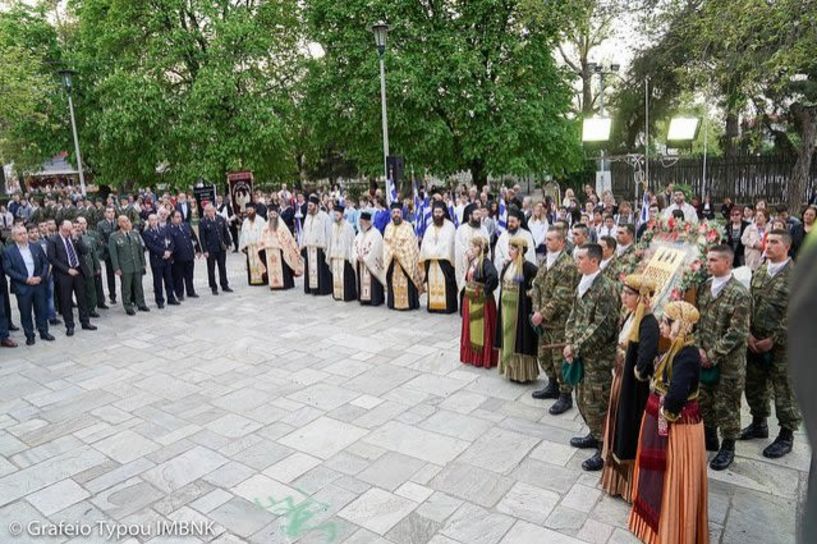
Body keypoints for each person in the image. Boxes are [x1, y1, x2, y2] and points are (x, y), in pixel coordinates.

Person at [628, 301, 708, 544]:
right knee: (658, 474)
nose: (662, 325)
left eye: (667, 322)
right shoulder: (677, 348)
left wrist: (665, 413)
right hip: (663, 422)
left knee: (672, 475)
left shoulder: (687, 354)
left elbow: (677, 396)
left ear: (679, 326)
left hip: (678, 429)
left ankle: (672, 529)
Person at [740, 229, 800, 458]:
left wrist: (773, 340)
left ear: (786, 246)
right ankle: (759, 423)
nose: (768, 245)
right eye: (767, 241)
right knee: (754, 384)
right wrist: (748, 333)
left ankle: (786, 435)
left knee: (784, 389)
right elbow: (750, 302)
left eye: (774, 242)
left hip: (782, 346)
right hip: (755, 339)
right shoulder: (762, 270)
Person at [600, 274, 659, 500]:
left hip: (632, 388)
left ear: (641, 297)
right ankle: (614, 479)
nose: (624, 296)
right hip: (620, 380)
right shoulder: (631, 315)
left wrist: (634, 374)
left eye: (629, 293)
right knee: (615, 424)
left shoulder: (648, 322)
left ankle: (630, 486)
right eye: (623, 292)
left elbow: (644, 362)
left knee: (628, 429)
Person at [694, 244, 751, 471]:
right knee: (704, 399)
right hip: (703, 355)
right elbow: (697, 320)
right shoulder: (705, 287)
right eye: (708, 259)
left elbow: (737, 332)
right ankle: (709, 437)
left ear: (727, 263)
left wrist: (712, 354)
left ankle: (728, 446)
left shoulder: (739, 293)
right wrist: (699, 348)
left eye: (714, 260)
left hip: (728, 363)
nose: (708, 264)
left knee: (727, 404)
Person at [563, 243, 620, 471]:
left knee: (598, 402)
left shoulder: (606, 288)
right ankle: (593, 434)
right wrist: (569, 341)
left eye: (581, 258)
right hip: (580, 354)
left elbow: (601, 328)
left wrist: (575, 347)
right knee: (583, 398)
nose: (577, 262)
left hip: (598, 359)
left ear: (594, 261)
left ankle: (603, 446)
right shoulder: (583, 283)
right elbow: (573, 315)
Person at [530, 226, 579, 414]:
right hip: (542, 320)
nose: (546, 242)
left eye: (550, 239)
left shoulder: (567, 265)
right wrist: (536, 310)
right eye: (546, 239)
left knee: (560, 359)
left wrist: (542, 313)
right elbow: (536, 286)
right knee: (544, 355)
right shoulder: (545, 261)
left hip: (559, 321)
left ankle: (565, 396)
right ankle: (552, 385)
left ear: (561, 241)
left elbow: (561, 297)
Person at [495, 236, 539, 383]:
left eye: (513, 248)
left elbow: (540, 282)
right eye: (509, 248)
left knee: (520, 338)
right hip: (506, 308)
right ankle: (510, 370)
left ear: (520, 250)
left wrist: (530, 293)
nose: (509, 251)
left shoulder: (528, 267)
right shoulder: (508, 265)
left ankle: (522, 373)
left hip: (520, 309)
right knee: (507, 336)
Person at [2, 225, 55, 345]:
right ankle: (30, 335)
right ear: (14, 237)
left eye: (25, 233)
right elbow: (8, 270)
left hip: (38, 284)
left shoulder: (36, 247)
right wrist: (26, 279)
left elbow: (45, 263)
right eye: (20, 234)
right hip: (23, 287)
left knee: (41, 310)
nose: (24, 236)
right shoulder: (8, 251)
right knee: (25, 313)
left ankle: (44, 331)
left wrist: (41, 277)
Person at [47, 220, 97, 336]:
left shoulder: (74, 238)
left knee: (82, 298)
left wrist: (77, 239)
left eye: (70, 230)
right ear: (60, 228)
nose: (68, 233)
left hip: (78, 271)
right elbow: (52, 259)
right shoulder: (53, 240)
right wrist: (67, 270)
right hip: (64, 274)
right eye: (66, 230)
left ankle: (85, 322)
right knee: (66, 301)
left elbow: (85, 251)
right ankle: (69, 325)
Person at [460, 236, 499, 367]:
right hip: (470, 300)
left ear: (481, 248)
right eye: (471, 246)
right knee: (471, 328)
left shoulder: (486, 262)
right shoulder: (474, 261)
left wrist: (485, 291)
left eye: (474, 246)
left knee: (482, 329)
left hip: (480, 301)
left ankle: (483, 358)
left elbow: (493, 277)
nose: (471, 248)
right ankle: (472, 356)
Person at [383, 203, 424, 310]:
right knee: (392, 280)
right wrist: (392, 253)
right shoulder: (388, 227)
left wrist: (399, 254)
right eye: (394, 212)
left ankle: (409, 303)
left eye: (398, 212)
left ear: (402, 214)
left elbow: (411, 245)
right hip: (392, 262)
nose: (396, 215)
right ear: (391, 214)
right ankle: (393, 303)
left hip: (405, 263)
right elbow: (386, 245)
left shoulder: (408, 226)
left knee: (408, 281)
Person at [419, 201, 458, 313]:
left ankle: (448, 307)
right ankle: (433, 306)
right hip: (431, 263)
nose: (437, 214)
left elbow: (448, 244)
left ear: (444, 213)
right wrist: (433, 253)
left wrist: (434, 252)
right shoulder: (429, 227)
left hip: (445, 263)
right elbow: (425, 244)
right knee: (433, 284)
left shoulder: (450, 227)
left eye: (439, 212)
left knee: (447, 286)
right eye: (435, 212)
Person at [109, 216, 150, 315]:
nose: (126, 223)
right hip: (125, 267)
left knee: (138, 286)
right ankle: (128, 306)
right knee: (126, 288)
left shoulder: (134, 234)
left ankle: (141, 303)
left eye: (127, 221)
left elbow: (140, 250)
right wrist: (116, 268)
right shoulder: (114, 237)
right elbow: (113, 254)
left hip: (136, 265)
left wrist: (143, 263)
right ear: (119, 224)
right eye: (123, 222)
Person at [142, 213, 179, 309]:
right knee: (158, 282)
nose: (154, 222)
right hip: (157, 260)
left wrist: (169, 251)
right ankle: (159, 300)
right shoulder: (147, 233)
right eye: (152, 220)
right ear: (149, 221)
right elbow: (151, 246)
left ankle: (171, 298)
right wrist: (163, 252)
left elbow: (171, 241)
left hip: (167, 259)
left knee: (169, 280)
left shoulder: (164, 230)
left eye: (155, 220)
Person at [260, 207, 303, 290]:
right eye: (271, 214)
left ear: (277, 215)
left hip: (281, 252)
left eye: (274, 214)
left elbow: (288, 239)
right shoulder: (265, 227)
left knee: (284, 268)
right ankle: (274, 284)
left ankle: (286, 284)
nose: (272, 216)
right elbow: (262, 239)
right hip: (270, 252)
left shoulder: (282, 226)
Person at [454, 203, 489, 301]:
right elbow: (458, 244)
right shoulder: (461, 229)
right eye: (476, 214)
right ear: (470, 216)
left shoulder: (484, 229)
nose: (479, 217)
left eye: (480, 214)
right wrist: (467, 252)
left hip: (479, 263)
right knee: (465, 285)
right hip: (465, 262)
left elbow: (487, 244)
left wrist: (477, 254)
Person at [300, 194, 333, 296]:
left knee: (321, 271)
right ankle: (311, 288)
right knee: (310, 270)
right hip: (309, 248)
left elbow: (328, 233)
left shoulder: (324, 217)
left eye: (310, 206)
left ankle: (323, 289)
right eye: (308, 206)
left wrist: (327, 247)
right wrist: (303, 245)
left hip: (320, 248)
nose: (308, 208)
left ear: (316, 205)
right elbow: (304, 231)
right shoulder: (308, 217)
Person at [352, 211, 386, 306]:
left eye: (362, 222)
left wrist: (366, 258)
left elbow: (376, 250)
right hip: (361, 263)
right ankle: (363, 299)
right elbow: (354, 246)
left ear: (368, 222)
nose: (361, 225)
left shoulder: (376, 234)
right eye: (360, 223)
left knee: (373, 283)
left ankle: (375, 299)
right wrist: (356, 256)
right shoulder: (359, 234)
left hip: (370, 265)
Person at [199, 204, 233, 295]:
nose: (210, 213)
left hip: (221, 247)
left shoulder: (220, 219)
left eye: (211, 210)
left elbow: (225, 232)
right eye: (208, 211)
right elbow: (202, 238)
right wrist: (205, 250)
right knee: (211, 268)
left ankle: (224, 285)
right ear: (205, 212)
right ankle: (213, 287)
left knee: (222, 267)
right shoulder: (203, 222)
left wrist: (229, 243)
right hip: (210, 249)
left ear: (214, 210)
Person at [327, 204, 357, 301]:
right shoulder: (333, 226)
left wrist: (351, 255)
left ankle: (347, 295)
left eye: (337, 215)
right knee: (335, 276)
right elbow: (330, 240)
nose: (336, 217)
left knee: (346, 278)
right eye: (334, 215)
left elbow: (352, 242)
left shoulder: (348, 227)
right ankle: (337, 294)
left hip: (345, 257)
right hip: (335, 256)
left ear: (342, 215)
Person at [168, 210, 200, 300]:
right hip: (178, 257)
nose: (179, 219)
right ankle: (180, 293)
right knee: (178, 277)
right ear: (172, 218)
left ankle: (191, 291)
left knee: (189, 275)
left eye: (180, 217)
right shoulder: (169, 229)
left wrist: (198, 249)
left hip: (189, 255)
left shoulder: (186, 225)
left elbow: (194, 237)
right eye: (177, 217)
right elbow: (170, 244)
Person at [75, 217, 104, 317]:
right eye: (78, 225)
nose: (80, 227)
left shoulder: (90, 238)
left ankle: (92, 308)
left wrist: (97, 267)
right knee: (82, 290)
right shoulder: (71, 239)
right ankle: (84, 308)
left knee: (91, 289)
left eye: (82, 224)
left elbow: (94, 254)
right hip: (77, 269)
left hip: (89, 267)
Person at [238, 204, 267, 286]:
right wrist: (243, 246)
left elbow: (264, 233)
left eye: (251, 210)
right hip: (249, 247)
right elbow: (243, 234)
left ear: (254, 210)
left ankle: (263, 280)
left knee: (261, 262)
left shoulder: (261, 220)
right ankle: (252, 280)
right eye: (248, 210)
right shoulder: (245, 222)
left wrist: (262, 244)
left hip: (258, 247)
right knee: (250, 263)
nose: (249, 212)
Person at [96, 206, 119, 304]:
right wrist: (111, 248)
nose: (111, 214)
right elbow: (101, 240)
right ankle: (112, 296)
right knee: (110, 276)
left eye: (112, 212)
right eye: (108, 212)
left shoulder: (118, 222)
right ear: (105, 213)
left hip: (119, 252)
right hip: (108, 254)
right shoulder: (101, 224)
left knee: (124, 274)